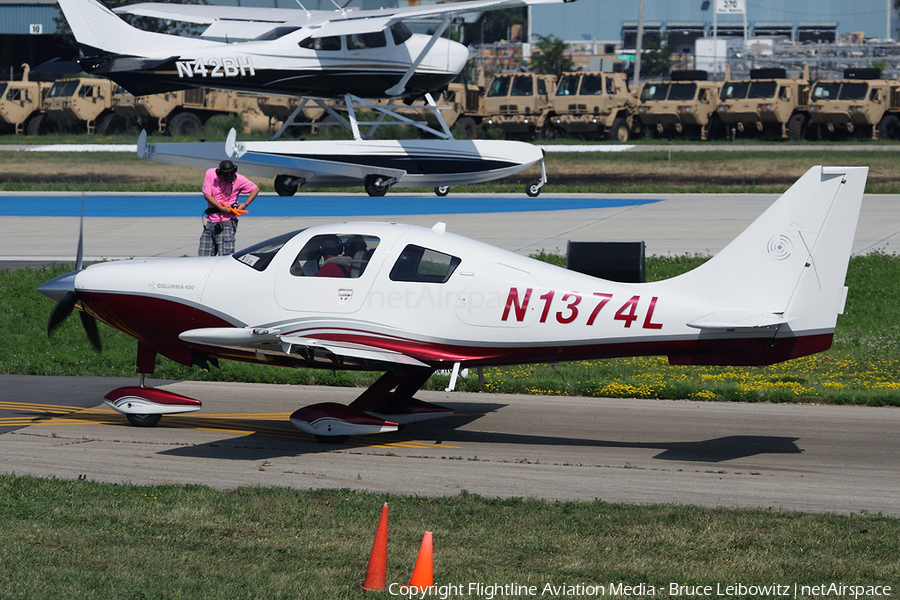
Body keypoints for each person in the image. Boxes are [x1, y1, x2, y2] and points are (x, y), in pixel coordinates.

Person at [199, 160, 259, 256]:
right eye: (226, 177)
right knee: (204, 255)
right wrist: (221, 207)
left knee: (225, 255)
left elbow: (255, 189)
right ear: (220, 173)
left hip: (228, 222)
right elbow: (207, 195)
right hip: (211, 220)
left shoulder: (239, 179)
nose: (229, 179)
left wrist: (245, 204)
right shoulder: (210, 174)